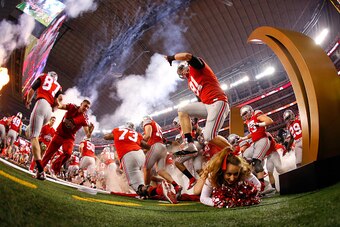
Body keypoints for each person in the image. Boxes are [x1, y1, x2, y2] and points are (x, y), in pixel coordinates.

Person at [165, 53, 230, 154]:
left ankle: (234, 152)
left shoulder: (197, 67)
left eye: (182, 69)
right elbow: (200, 99)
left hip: (217, 101)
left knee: (209, 136)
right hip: (207, 105)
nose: (182, 72)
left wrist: (171, 58)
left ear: (187, 65)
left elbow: (187, 55)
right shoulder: (190, 83)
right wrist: (196, 116)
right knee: (182, 110)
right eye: (180, 72)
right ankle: (190, 144)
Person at [103, 122, 178, 204]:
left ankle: (160, 189)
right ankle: (154, 189)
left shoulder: (118, 130)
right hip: (140, 155)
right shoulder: (136, 134)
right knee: (142, 184)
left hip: (128, 156)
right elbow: (146, 146)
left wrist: (115, 136)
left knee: (139, 189)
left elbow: (106, 137)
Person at [39, 99, 94, 180]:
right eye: (85, 106)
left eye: (88, 108)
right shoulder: (72, 106)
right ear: (81, 104)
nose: (86, 108)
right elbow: (61, 106)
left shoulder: (84, 118)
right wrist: (57, 102)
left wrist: (90, 131)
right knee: (48, 153)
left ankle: (54, 168)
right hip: (59, 134)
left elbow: (87, 134)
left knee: (68, 153)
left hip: (69, 137)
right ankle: (39, 170)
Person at [25, 71, 62, 177]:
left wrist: (28, 101)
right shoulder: (58, 86)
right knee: (33, 133)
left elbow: (32, 90)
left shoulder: (43, 76)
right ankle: (38, 169)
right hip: (49, 111)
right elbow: (59, 101)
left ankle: (40, 171)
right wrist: (53, 109)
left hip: (41, 103)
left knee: (34, 137)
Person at [141, 115, 183, 198]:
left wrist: (137, 141)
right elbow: (164, 140)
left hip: (155, 146)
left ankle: (146, 191)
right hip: (163, 147)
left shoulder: (147, 121)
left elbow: (147, 136)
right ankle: (176, 186)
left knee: (146, 168)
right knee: (160, 171)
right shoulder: (157, 126)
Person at [238, 105, 273, 188]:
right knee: (244, 160)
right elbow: (253, 133)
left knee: (256, 162)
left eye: (245, 113)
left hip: (262, 140)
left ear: (250, 111)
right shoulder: (248, 121)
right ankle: (254, 184)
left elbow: (269, 121)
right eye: (243, 115)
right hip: (255, 142)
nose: (245, 116)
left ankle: (263, 187)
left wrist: (259, 124)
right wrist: (243, 138)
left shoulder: (256, 114)